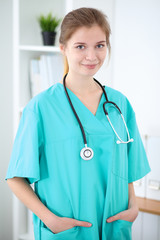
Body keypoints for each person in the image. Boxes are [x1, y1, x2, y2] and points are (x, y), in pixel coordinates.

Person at [6, 7, 151, 240]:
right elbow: (15, 178)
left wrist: (133, 208)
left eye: (100, 45)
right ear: (63, 48)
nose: (92, 56)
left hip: (115, 227)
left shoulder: (118, 104)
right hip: (67, 230)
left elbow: (129, 166)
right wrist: (50, 220)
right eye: (81, 46)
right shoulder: (41, 107)